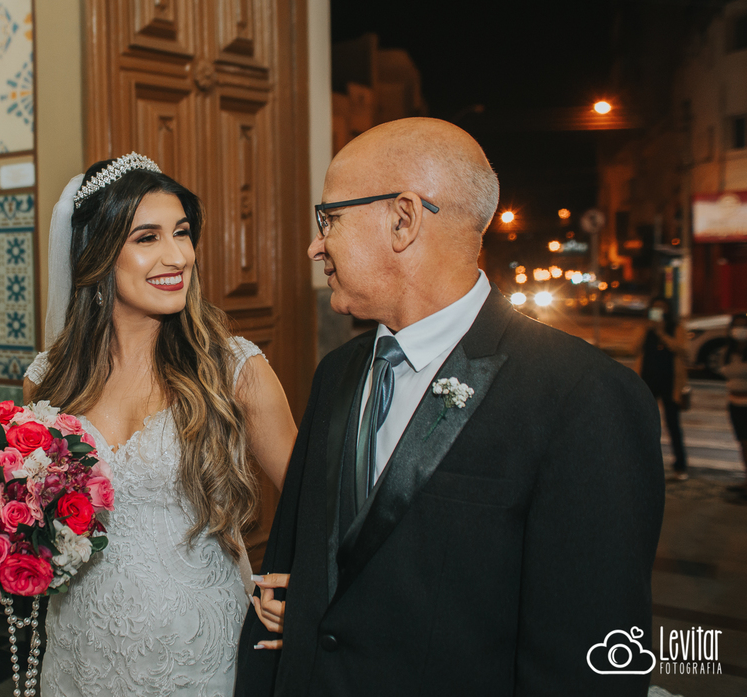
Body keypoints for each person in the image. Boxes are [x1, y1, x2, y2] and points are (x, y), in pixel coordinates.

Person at [236, 118, 664, 696]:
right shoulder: (336, 375)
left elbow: (589, 662)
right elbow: (293, 575)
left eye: (329, 218)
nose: (315, 245)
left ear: (403, 219)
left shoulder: (582, 398)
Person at [24, 153, 298, 696]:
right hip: (82, 642)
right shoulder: (47, 381)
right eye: (146, 237)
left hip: (197, 649)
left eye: (182, 233)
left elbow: (315, 501)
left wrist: (301, 587)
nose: (177, 256)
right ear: (98, 256)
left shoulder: (235, 369)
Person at [637, 297, 689, 480]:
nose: (659, 312)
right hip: (647, 381)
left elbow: (683, 350)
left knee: (673, 424)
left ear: (669, 310)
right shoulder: (647, 328)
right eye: (655, 308)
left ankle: (680, 466)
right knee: (644, 425)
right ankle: (643, 464)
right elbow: (633, 348)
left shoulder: (676, 328)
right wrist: (647, 330)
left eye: (662, 308)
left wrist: (662, 334)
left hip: (670, 383)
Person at [721, 313, 747, 498]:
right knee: (743, 444)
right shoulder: (729, 351)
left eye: (743, 326)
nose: (740, 330)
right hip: (734, 403)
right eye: (737, 326)